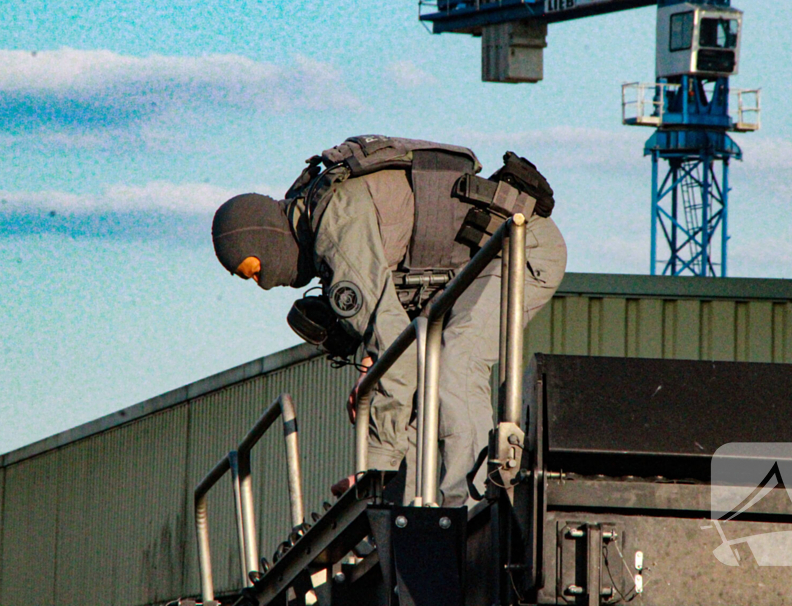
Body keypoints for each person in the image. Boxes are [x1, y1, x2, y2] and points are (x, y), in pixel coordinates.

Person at [211, 135, 566, 506]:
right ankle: (408, 509)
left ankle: (474, 507)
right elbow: (394, 342)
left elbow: (395, 361)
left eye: (254, 269)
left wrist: (372, 476)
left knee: (454, 362)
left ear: (263, 238)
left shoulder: (333, 223)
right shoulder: (325, 212)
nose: (263, 283)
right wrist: (373, 362)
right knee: (414, 375)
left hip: (520, 249)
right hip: (468, 272)